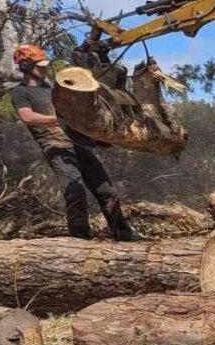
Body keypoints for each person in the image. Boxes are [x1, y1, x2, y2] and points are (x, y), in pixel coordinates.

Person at [9, 45, 136, 241]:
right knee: (74, 189)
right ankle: (80, 239)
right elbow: (27, 116)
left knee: (105, 189)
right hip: (55, 146)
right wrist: (56, 119)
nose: (44, 69)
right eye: (39, 66)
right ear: (25, 66)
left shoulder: (51, 89)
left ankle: (124, 235)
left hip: (76, 143)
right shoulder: (20, 92)